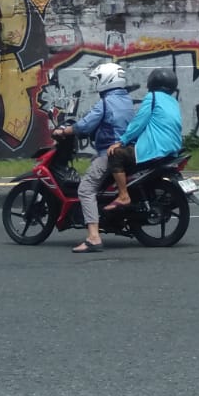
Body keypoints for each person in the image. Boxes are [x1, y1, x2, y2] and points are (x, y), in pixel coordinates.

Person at [60, 61, 133, 254]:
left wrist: (66, 131)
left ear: (107, 80)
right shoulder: (126, 99)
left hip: (108, 154)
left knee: (85, 189)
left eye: (97, 79)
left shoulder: (105, 102)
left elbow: (85, 125)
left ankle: (93, 237)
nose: (95, 84)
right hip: (126, 151)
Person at [106, 67, 183, 184]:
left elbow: (139, 122)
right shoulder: (173, 102)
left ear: (152, 82)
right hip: (173, 149)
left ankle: (123, 195)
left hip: (156, 149)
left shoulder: (152, 97)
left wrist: (121, 141)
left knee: (116, 154)